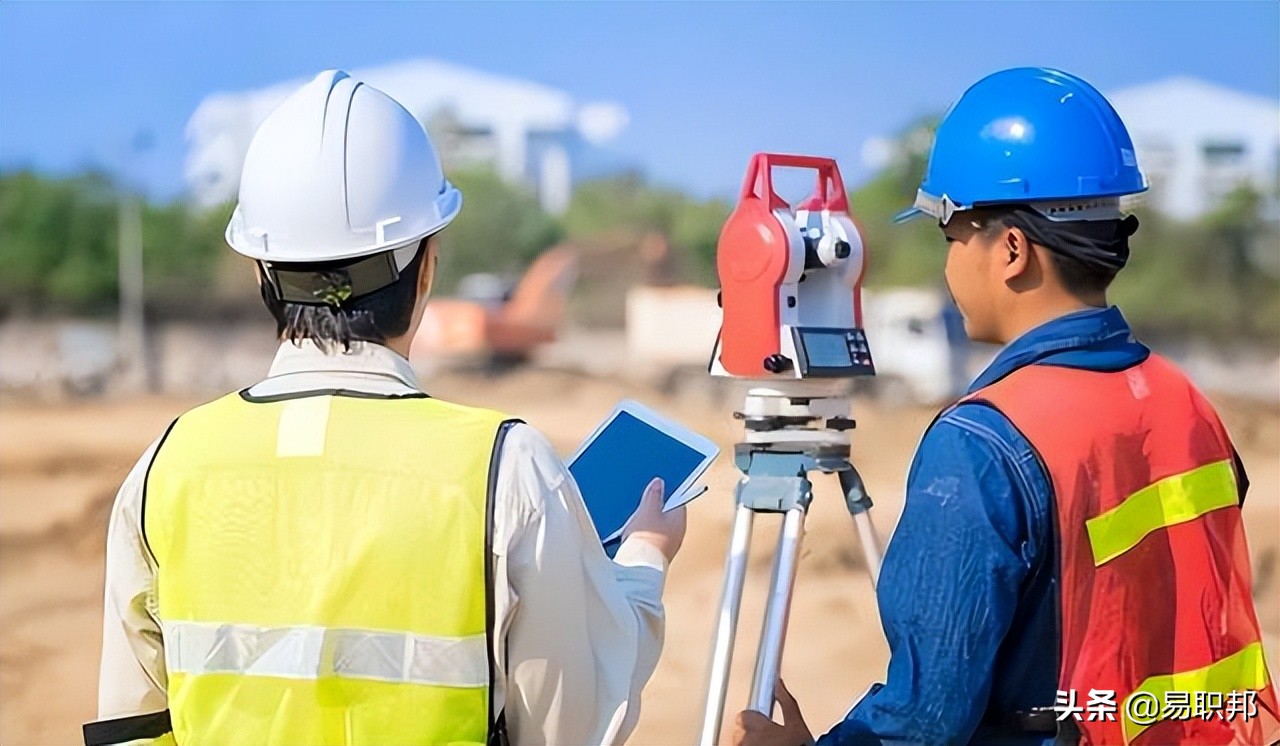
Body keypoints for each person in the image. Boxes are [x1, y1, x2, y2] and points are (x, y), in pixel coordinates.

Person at [88, 70, 686, 746]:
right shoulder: (506, 470)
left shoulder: (163, 469)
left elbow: (130, 728)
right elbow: (572, 725)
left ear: (262, 270)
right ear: (427, 266)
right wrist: (642, 562)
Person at [734, 67, 1278, 746]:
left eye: (950, 237)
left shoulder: (985, 444)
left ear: (1011, 249)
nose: (948, 266)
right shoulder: (1185, 401)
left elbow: (923, 723)